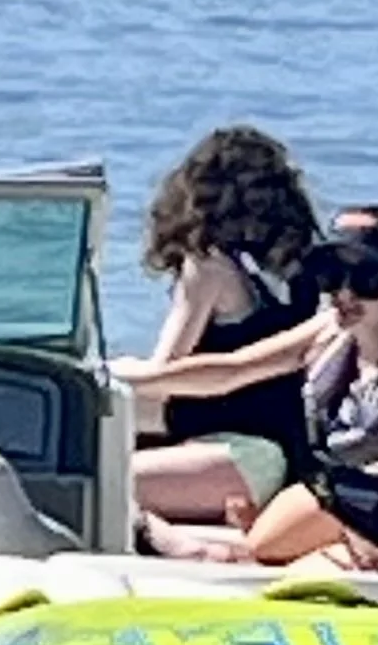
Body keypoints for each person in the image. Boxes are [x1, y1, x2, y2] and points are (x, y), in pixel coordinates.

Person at [114, 206, 378, 564]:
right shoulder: (329, 331)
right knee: (264, 542)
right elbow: (233, 370)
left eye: (365, 278)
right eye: (331, 275)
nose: (343, 292)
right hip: (334, 489)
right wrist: (124, 378)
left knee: (264, 548)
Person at [129, 125, 323, 522]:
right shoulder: (291, 275)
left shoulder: (207, 268)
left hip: (235, 455)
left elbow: (165, 377)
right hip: (281, 455)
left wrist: (114, 373)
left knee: (90, 479)